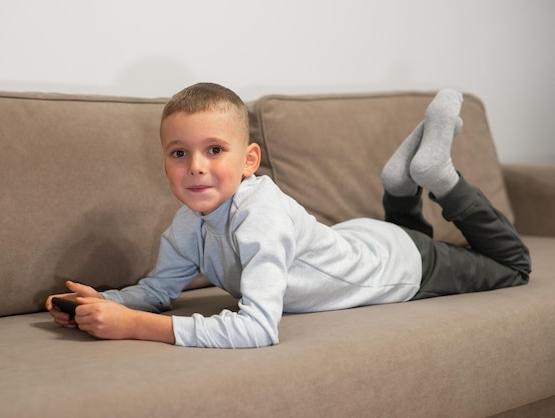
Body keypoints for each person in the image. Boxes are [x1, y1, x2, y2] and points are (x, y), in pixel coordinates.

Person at [46, 83, 531, 348]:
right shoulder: (187, 226)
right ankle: (400, 190)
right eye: (178, 153)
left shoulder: (261, 217)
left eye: (214, 149)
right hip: (365, 240)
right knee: (405, 234)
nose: (195, 166)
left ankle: (438, 176)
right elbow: (157, 291)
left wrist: (137, 326)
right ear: (165, 162)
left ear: (249, 160)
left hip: (403, 267)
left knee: (513, 267)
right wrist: (108, 302)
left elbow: (258, 329)